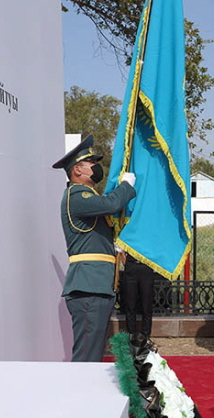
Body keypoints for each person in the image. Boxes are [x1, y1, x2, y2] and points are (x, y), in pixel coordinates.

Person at [54, 135, 136, 362]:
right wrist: (126, 186)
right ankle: (79, 395)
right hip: (88, 286)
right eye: (92, 164)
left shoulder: (86, 196)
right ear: (77, 171)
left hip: (96, 285)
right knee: (87, 354)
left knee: (93, 350)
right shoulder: (77, 195)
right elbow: (111, 204)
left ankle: (84, 394)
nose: (97, 168)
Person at [119, 253, 158, 351]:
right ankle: (132, 337)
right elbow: (120, 251)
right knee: (130, 305)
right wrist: (128, 264)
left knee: (147, 305)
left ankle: (146, 337)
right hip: (131, 267)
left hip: (146, 266)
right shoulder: (127, 237)